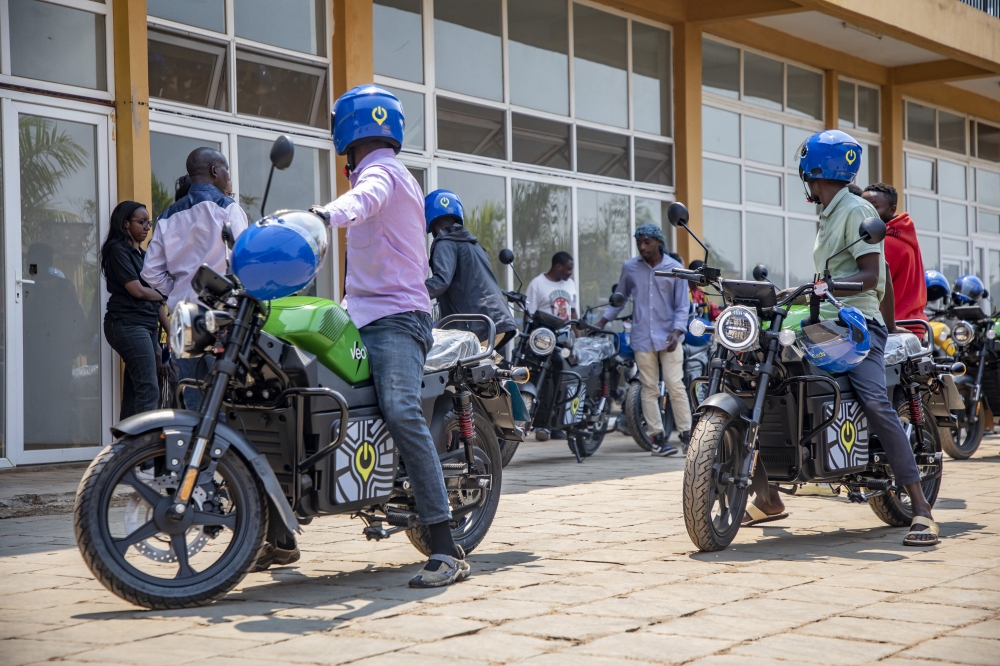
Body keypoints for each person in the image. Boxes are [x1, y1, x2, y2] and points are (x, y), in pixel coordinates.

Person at [312, 85, 469, 588]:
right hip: (358, 316)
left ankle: (446, 548)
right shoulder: (377, 173)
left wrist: (320, 217)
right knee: (301, 395)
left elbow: (364, 198)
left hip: (398, 318)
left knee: (400, 407)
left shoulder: (385, 172)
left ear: (345, 129)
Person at [764, 129, 938, 546]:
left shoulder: (857, 208)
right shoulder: (829, 212)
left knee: (876, 401)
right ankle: (765, 494)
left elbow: (870, 277)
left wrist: (829, 290)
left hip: (856, 324)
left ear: (814, 170)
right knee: (759, 366)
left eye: (805, 171)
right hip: (825, 317)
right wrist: (798, 291)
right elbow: (837, 277)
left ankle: (921, 509)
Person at [143, 148, 248, 411]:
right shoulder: (228, 208)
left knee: (192, 398)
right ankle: (220, 453)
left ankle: (194, 451)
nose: (227, 178)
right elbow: (244, 261)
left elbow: (150, 273)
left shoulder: (167, 216)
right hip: (222, 315)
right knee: (222, 401)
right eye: (225, 171)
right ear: (215, 171)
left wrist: (178, 290)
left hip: (186, 318)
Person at [597, 224, 691, 457]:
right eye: (638, 242)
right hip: (641, 336)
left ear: (659, 242)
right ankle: (658, 439)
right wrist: (600, 322)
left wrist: (678, 332)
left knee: (675, 385)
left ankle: (688, 437)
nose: (642, 247)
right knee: (648, 388)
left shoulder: (675, 268)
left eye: (647, 242)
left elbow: (682, 306)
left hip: (670, 337)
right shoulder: (630, 267)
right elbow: (620, 298)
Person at [100, 202, 170, 419]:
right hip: (127, 324)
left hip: (146, 326)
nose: (147, 226)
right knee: (148, 389)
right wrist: (168, 295)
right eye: (141, 222)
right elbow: (137, 290)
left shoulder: (144, 255)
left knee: (135, 391)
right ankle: (144, 451)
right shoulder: (117, 250)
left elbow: (155, 301)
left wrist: (172, 331)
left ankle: (125, 449)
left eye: (148, 222)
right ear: (126, 224)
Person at [424, 189, 517, 350]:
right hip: (496, 321)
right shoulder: (472, 244)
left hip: (478, 324)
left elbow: (441, 282)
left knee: (457, 371)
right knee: (482, 372)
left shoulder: (445, 242)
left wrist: (411, 293)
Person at [862, 183, 928, 335]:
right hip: (913, 325)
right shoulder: (906, 237)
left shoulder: (882, 243)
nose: (867, 213)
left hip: (891, 327)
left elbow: (871, 286)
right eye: (864, 208)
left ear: (892, 209)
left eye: (874, 207)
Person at [525, 252, 578, 322]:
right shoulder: (537, 284)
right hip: (545, 332)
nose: (571, 272)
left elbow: (573, 312)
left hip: (566, 332)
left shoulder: (571, 283)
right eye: (569, 269)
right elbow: (528, 315)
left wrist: (579, 333)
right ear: (558, 267)